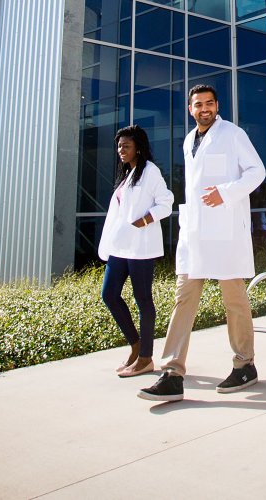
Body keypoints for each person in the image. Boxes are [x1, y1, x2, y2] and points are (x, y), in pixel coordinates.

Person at [139, 85, 266, 402]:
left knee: (234, 302)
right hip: (195, 235)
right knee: (184, 300)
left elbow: (258, 171)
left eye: (209, 103)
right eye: (198, 104)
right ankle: (172, 373)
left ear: (217, 105)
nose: (204, 108)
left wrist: (225, 193)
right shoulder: (188, 141)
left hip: (224, 232)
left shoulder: (233, 134)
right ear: (190, 109)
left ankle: (245, 364)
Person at [98, 125, 174, 377]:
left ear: (138, 147)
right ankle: (135, 344)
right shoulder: (127, 174)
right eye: (119, 146)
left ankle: (146, 357)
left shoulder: (150, 172)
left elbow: (166, 202)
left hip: (141, 248)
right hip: (120, 247)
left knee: (143, 301)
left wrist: (144, 220)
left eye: (126, 146)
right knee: (109, 294)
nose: (121, 150)